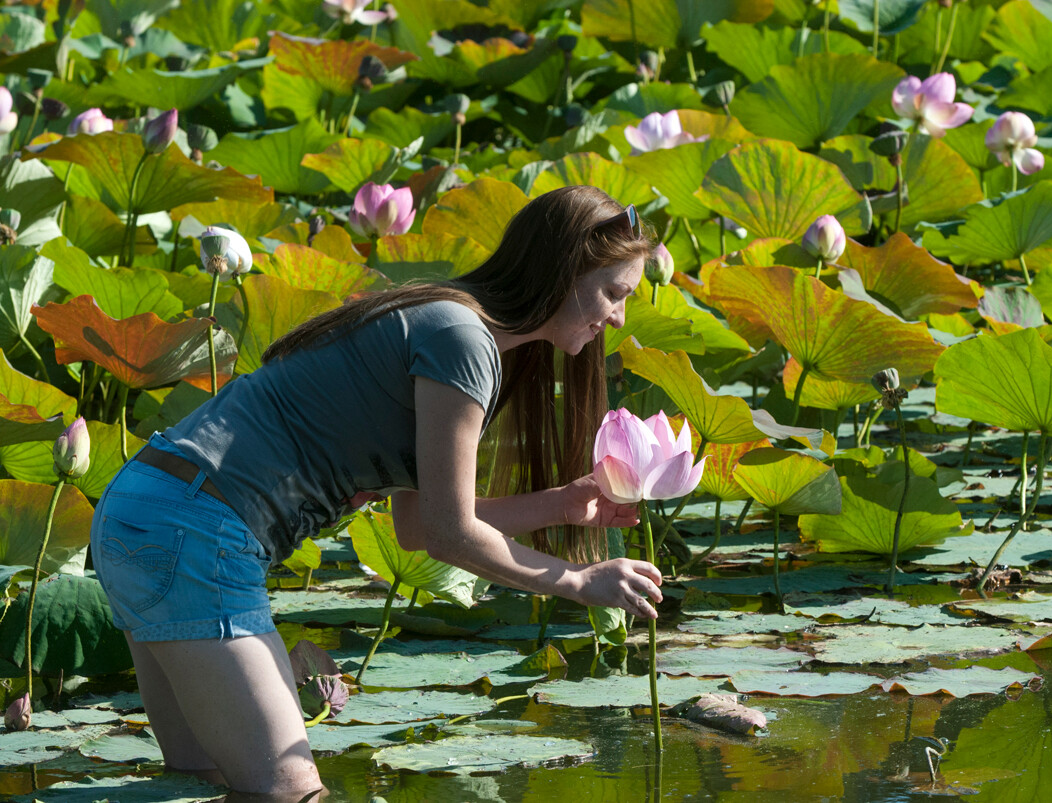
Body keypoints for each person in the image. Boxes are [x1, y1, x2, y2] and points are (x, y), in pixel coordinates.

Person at [88, 185, 665, 796]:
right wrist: (579, 581)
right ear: (561, 273)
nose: (619, 316)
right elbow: (449, 534)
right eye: (614, 293)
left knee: (203, 783)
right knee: (291, 793)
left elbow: (419, 527)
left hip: (143, 507)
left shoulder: (450, 320)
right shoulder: (465, 341)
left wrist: (561, 504)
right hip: (199, 530)